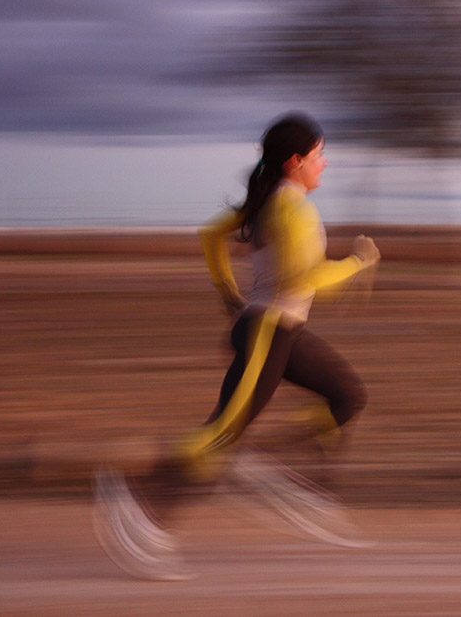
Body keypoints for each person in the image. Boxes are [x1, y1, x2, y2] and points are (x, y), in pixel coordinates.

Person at [93, 112, 380, 580]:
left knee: (349, 396)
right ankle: (137, 496)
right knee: (221, 436)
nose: (325, 164)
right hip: (270, 332)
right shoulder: (291, 208)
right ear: (295, 162)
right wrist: (357, 261)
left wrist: (228, 293)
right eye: (319, 155)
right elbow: (311, 277)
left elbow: (210, 236)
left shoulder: (266, 201)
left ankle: (298, 481)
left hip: (281, 331)